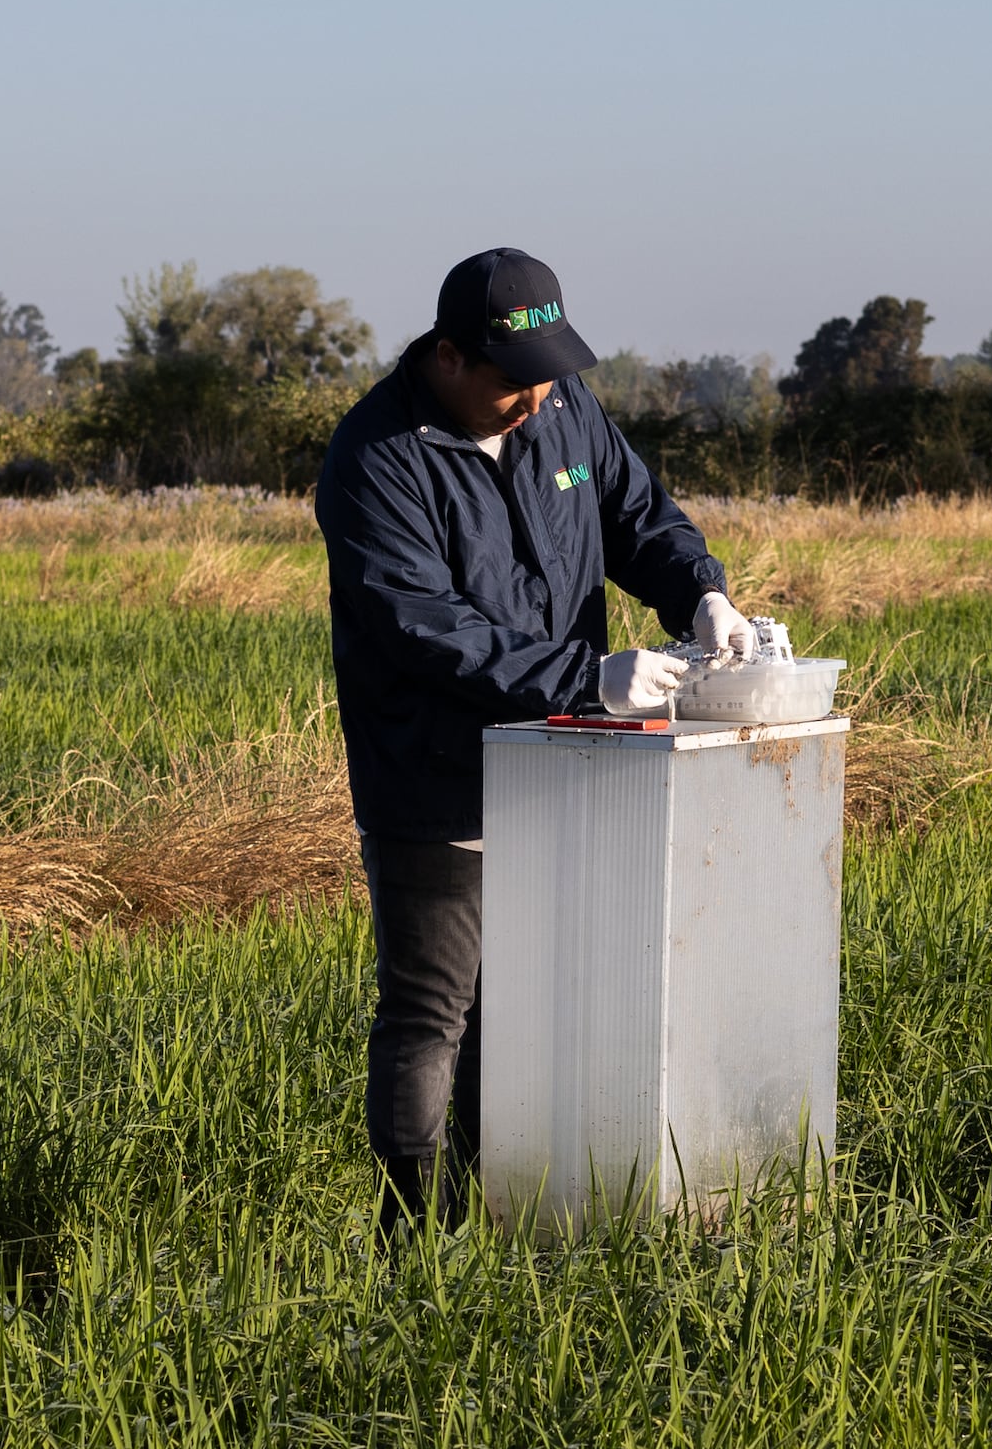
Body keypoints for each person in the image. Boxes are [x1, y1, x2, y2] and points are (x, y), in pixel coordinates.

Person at [316, 245, 753, 1220]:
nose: (534, 396)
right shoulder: (375, 457)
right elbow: (419, 623)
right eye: (513, 381)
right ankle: (418, 1234)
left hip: (560, 760)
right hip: (436, 775)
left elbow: (639, 517)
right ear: (446, 359)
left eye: (547, 375)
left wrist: (701, 594)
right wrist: (584, 678)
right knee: (435, 1015)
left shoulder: (562, 411)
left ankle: (519, 1210)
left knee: (534, 1008)